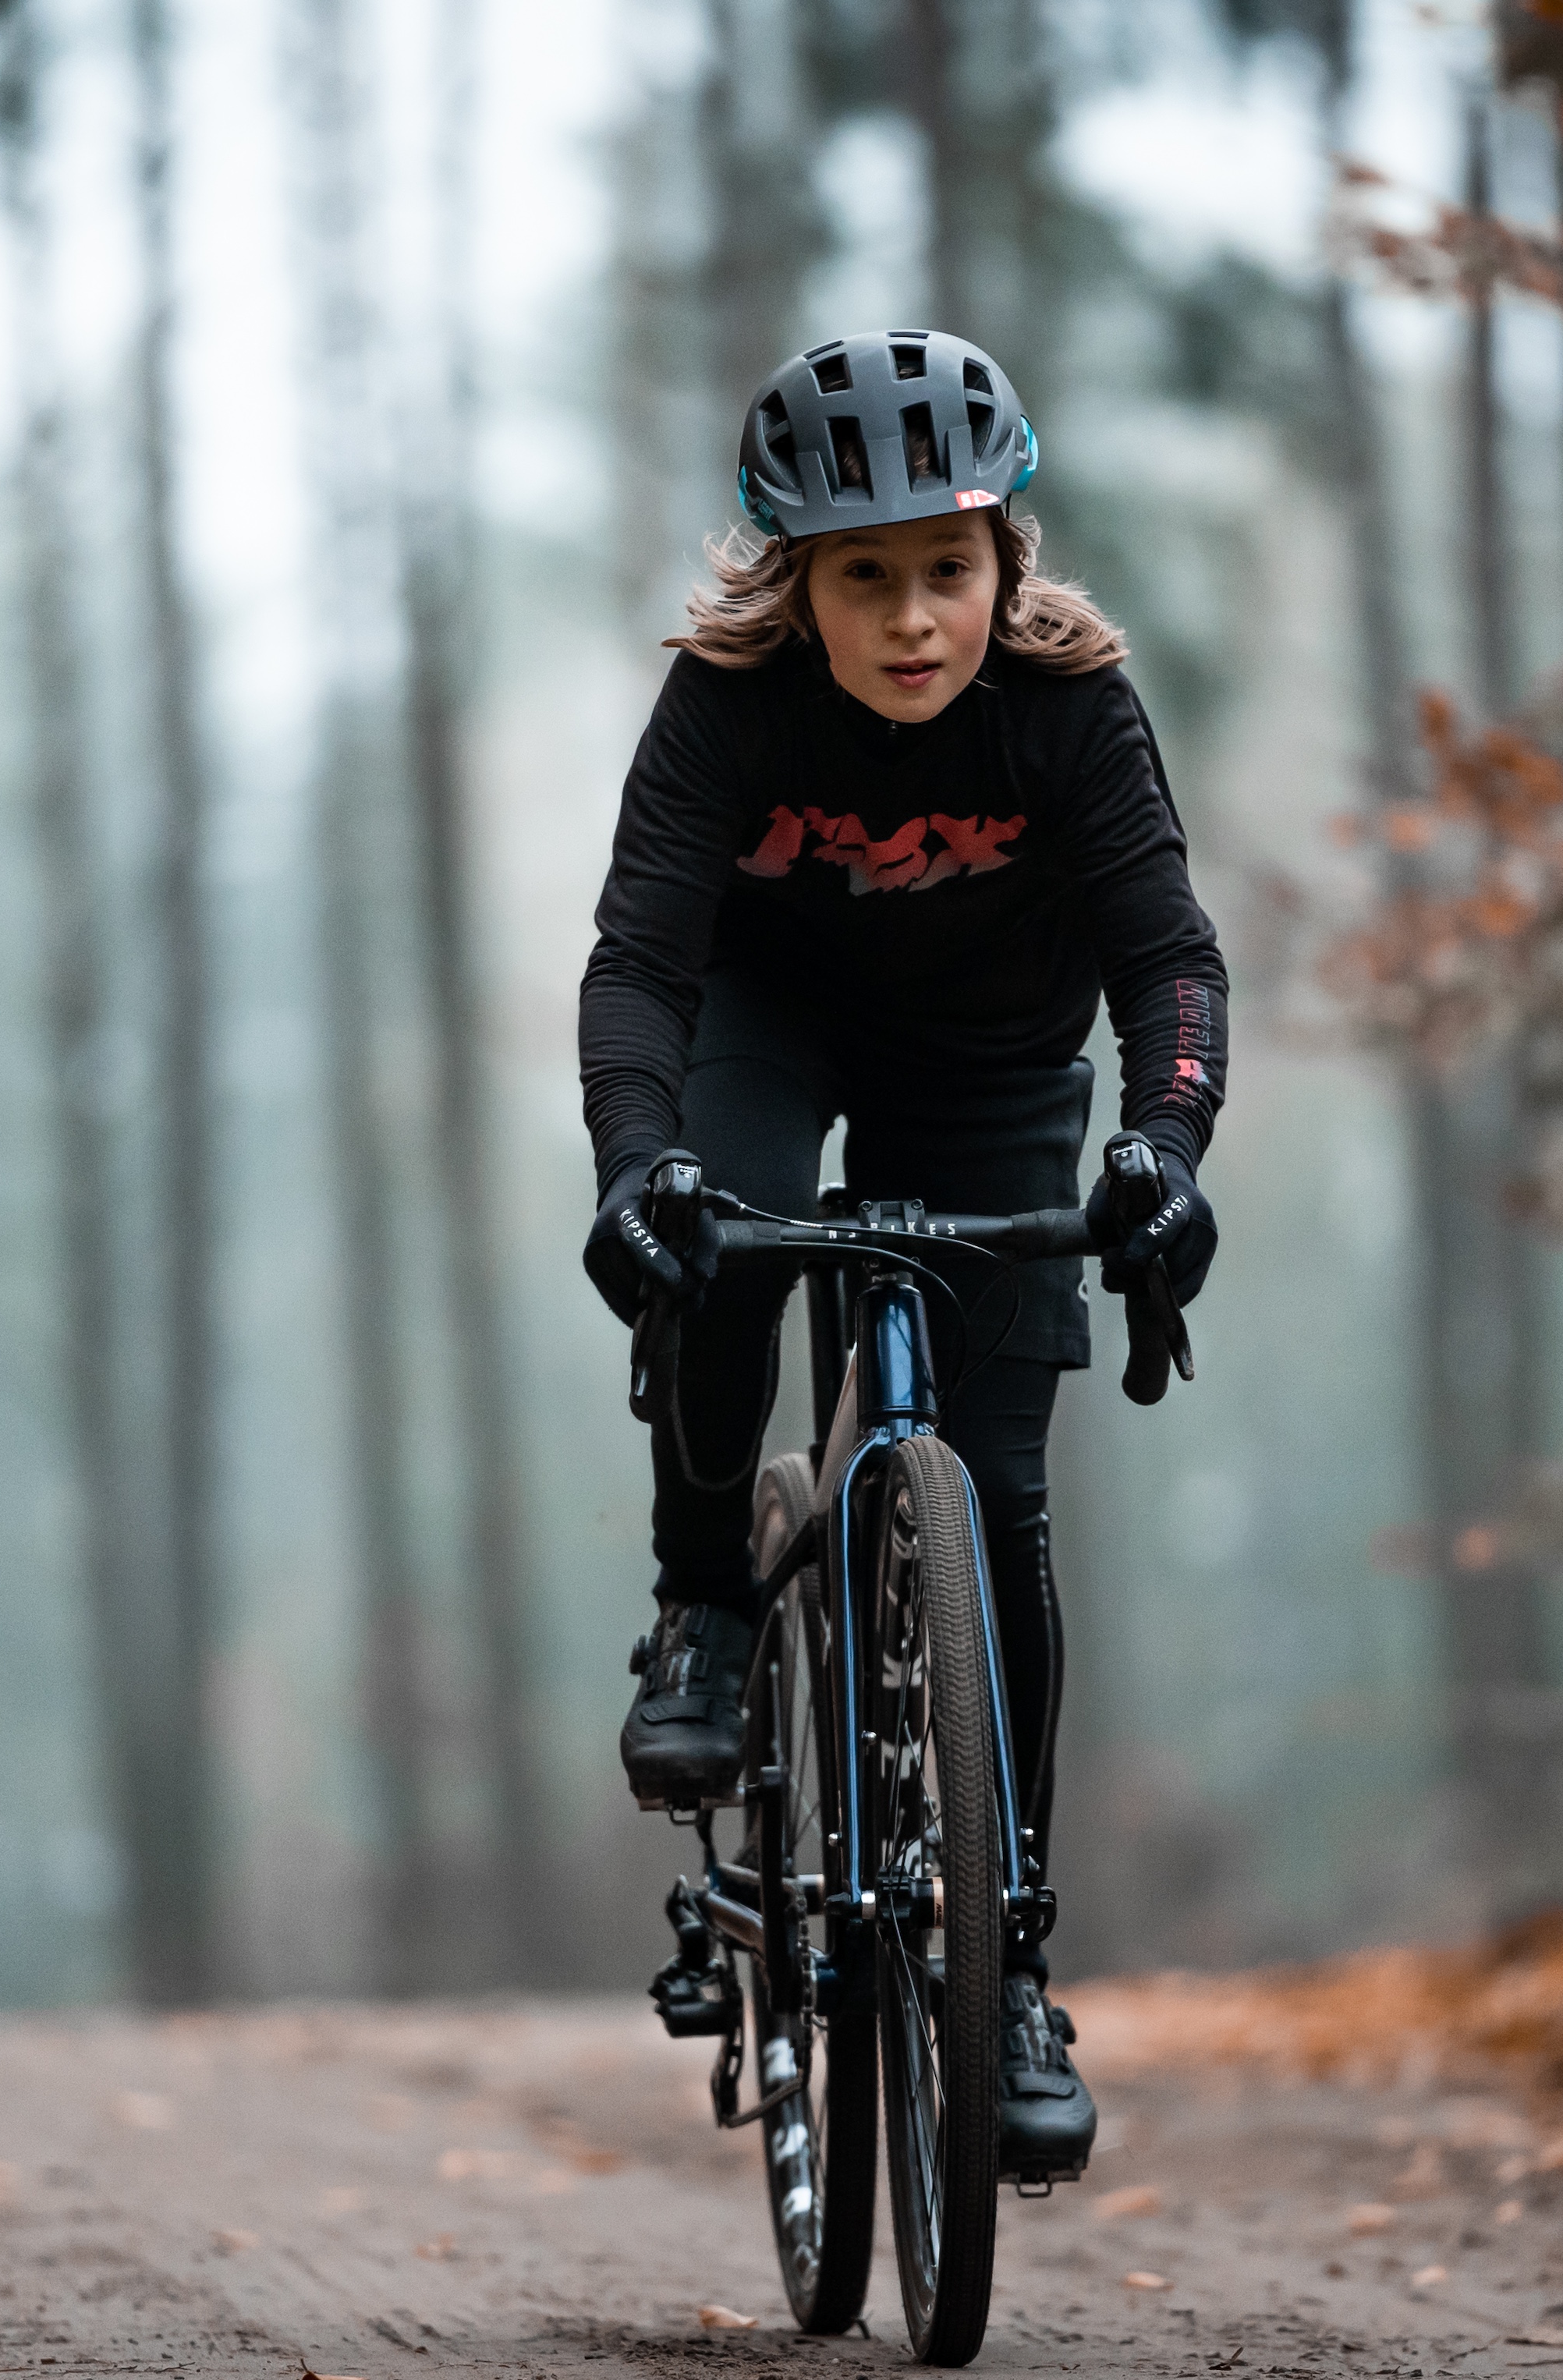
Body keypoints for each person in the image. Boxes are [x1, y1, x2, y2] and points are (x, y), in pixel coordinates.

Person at [577, 330, 1225, 2180]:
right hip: (768, 1023)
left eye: (948, 566)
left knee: (1001, 1493)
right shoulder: (726, 702)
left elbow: (1170, 960)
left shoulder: (1072, 705)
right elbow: (638, 967)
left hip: (994, 1063)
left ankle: (1005, 1960)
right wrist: (642, 1170)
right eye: (866, 578)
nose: (915, 616)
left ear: (1007, 554)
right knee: (722, 1236)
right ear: (798, 578)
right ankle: (706, 1599)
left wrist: (1162, 1154)